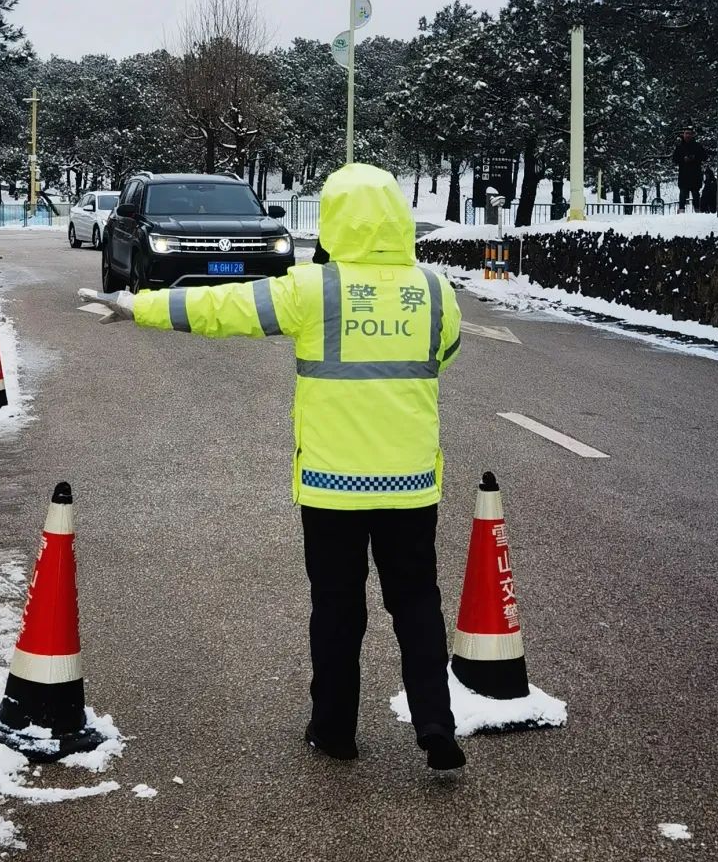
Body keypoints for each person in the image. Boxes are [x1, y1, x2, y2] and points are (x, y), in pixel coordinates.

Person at [81, 163, 465, 773]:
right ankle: (436, 726)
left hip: (333, 485)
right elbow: (443, 353)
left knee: (338, 607)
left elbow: (225, 306)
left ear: (336, 221)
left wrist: (139, 306)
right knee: (417, 601)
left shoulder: (315, 290)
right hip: (412, 483)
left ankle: (334, 730)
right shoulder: (435, 289)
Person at [673, 125, 707, 212]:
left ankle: (697, 212)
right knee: (683, 194)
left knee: (696, 194)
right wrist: (683, 159)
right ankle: (681, 211)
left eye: (689, 134)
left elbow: (705, 157)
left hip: (695, 174)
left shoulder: (697, 146)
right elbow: (674, 159)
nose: (688, 135)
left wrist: (694, 158)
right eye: (686, 133)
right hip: (684, 175)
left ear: (692, 135)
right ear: (683, 134)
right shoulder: (679, 147)